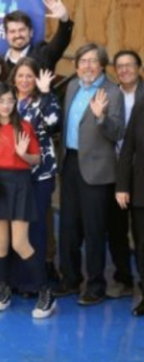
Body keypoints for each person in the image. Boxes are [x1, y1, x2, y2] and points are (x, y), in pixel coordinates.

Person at [0, 83, 55, 318]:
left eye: (10, 100)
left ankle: (46, 293)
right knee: (0, 243)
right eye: (1, 101)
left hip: (20, 184)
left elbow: (36, 160)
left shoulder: (25, 127)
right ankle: (3, 290)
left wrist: (23, 154)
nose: (6, 105)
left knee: (20, 243)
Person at [55, 44, 125, 306]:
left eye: (93, 61)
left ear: (102, 65)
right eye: (82, 61)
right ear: (76, 65)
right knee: (68, 228)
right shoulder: (73, 86)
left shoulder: (112, 92)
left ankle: (96, 286)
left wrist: (101, 117)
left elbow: (117, 132)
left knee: (94, 230)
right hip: (70, 164)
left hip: (96, 171)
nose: (87, 66)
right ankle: (70, 279)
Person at [9, 58, 61, 289]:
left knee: (36, 226)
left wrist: (46, 92)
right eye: (20, 75)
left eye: (29, 76)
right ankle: (17, 279)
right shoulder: (8, 100)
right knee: (16, 227)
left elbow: (53, 123)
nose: (24, 80)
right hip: (12, 174)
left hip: (40, 174)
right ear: (14, 78)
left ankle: (35, 282)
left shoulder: (45, 99)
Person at [108, 49, 143, 298]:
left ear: (139, 68)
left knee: (141, 233)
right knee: (116, 229)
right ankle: (124, 278)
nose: (125, 70)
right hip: (115, 170)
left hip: (140, 173)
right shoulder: (110, 94)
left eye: (129, 65)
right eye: (120, 66)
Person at [2, 0, 74, 77]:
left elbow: (60, 42)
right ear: (6, 35)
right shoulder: (0, 62)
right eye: (12, 31)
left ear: (31, 32)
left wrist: (64, 19)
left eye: (21, 30)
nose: (17, 35)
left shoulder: (43, 54)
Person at [117, 98, 144, 316]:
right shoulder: (141, 105)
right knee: (142, 245)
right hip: (141, 190)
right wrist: (122, 186)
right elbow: (128, 148)